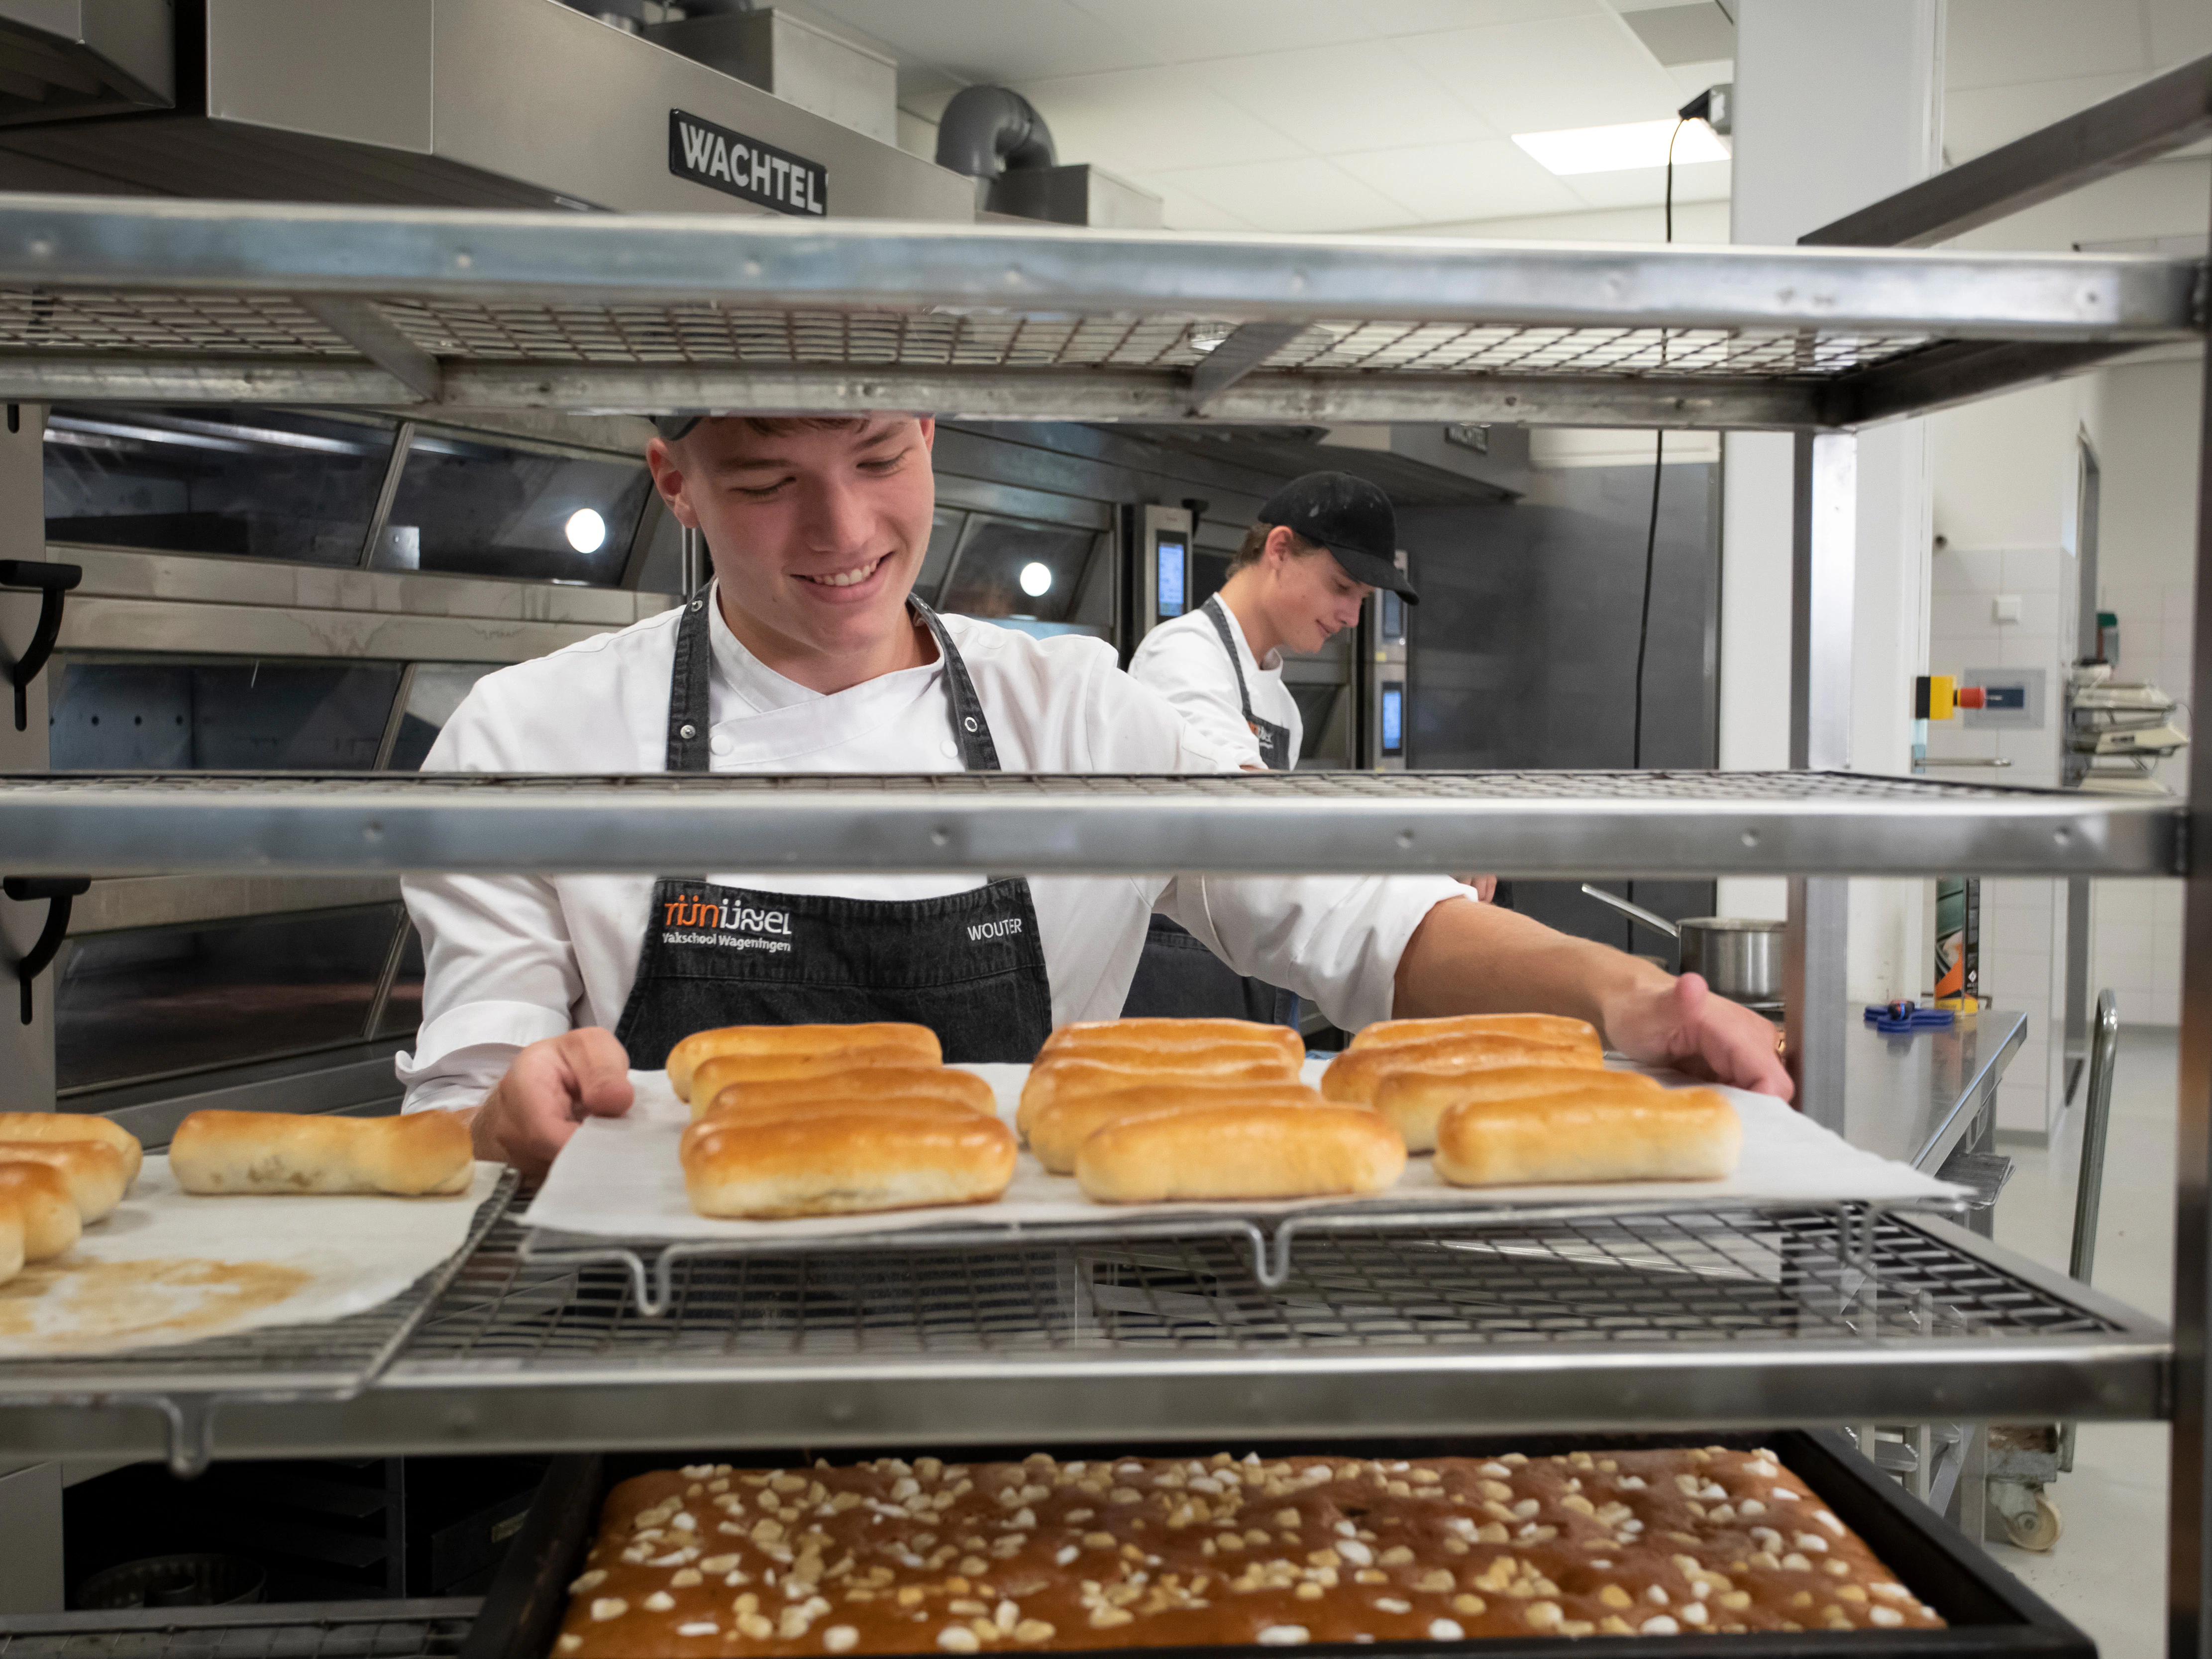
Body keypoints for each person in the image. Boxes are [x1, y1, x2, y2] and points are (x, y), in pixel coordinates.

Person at [397, 414, 1791, 1176]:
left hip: (1013, 1359)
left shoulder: (1073, 715)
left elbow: (1360, 913)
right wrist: (496, 1116)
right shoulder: (533, 731)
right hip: (653, 1372)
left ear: (930, 433)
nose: (841, 532)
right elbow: (465, 1103)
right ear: (672, 481)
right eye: (766, 482)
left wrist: (1618, 993)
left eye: (879, 461)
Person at [1122, 473, 1491, 1026]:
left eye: (1362, 600)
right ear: (1279, 549)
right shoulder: (1180, 655)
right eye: (1342, 587)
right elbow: (1239, 804)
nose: (1352, 616)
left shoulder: (1282, 704)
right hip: (1177, 969)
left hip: (1245, 969)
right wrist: (1412, 843)